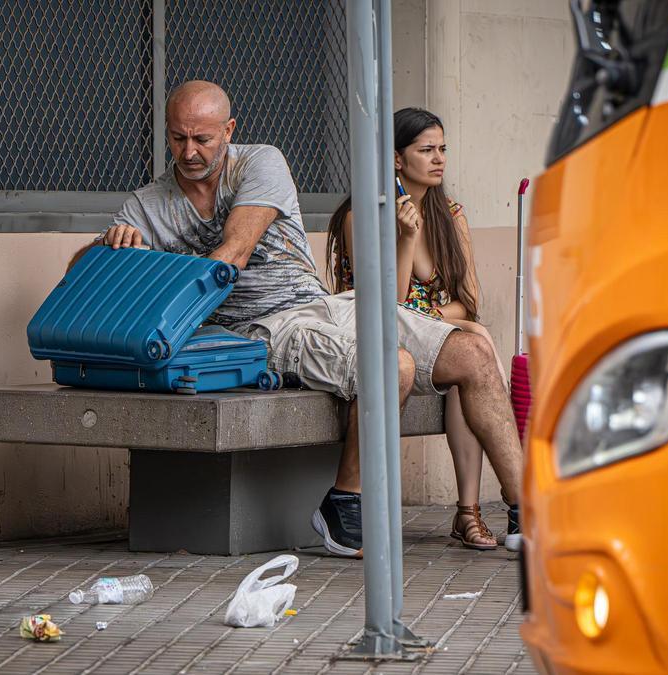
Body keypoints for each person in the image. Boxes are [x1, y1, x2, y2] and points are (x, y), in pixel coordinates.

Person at [72, 80, 522, 558]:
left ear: (229, 130)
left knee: (473, 351)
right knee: (395, 365)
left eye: (202, 139)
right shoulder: (147, 204)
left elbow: (235, 252)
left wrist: (159, 265)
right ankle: (344, 506)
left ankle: (525, 511)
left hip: (323, 303)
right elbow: (79, 281)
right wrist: (108, 248)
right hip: (259, 327)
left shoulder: (260, 162)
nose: (189, 151)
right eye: (178, 138)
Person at [324, 107, 519, 550]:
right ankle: (505, 510)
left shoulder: (452, 213)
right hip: (381, 339)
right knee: (471, 351)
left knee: (465, 372)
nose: (439, 159)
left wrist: (461, 321)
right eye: (426, 150)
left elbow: (466, 298)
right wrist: (406, 239)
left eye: (443, 149)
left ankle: (470, 512)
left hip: (438, 345)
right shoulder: (362, 216)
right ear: (396, 159)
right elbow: (388, 307)